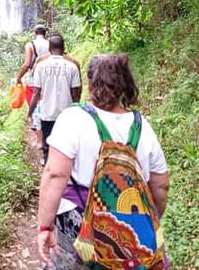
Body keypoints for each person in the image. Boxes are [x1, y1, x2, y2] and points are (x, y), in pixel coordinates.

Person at [35, 54, 170, 269]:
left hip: (78, 220)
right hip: (130, 226)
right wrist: (147, 220)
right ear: (126, 84)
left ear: (90, 82)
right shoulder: (142, 126)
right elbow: (161, 184)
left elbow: (54, 174)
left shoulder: (73, 118)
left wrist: (45, 227)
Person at [27, 34, 81, 164]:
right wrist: (77, 111)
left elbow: (36, 93)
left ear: (49, 49)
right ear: (63, 48)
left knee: (47, 145)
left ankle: (48, 169)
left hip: (47, 113)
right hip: (67, 115)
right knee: (66, 146)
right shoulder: (72, 66)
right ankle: (66, 173)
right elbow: (76, 93)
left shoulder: (41, 66)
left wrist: (30, 112)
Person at [16, 24, 50, 147]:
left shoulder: (30, 45)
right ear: (45, 33)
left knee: (36, 108)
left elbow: (26, 64)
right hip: (49, 79)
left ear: (34, 33)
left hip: (34, 79)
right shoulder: (50, 44)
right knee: (46, 106)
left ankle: (40, 138)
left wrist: (19, 77)